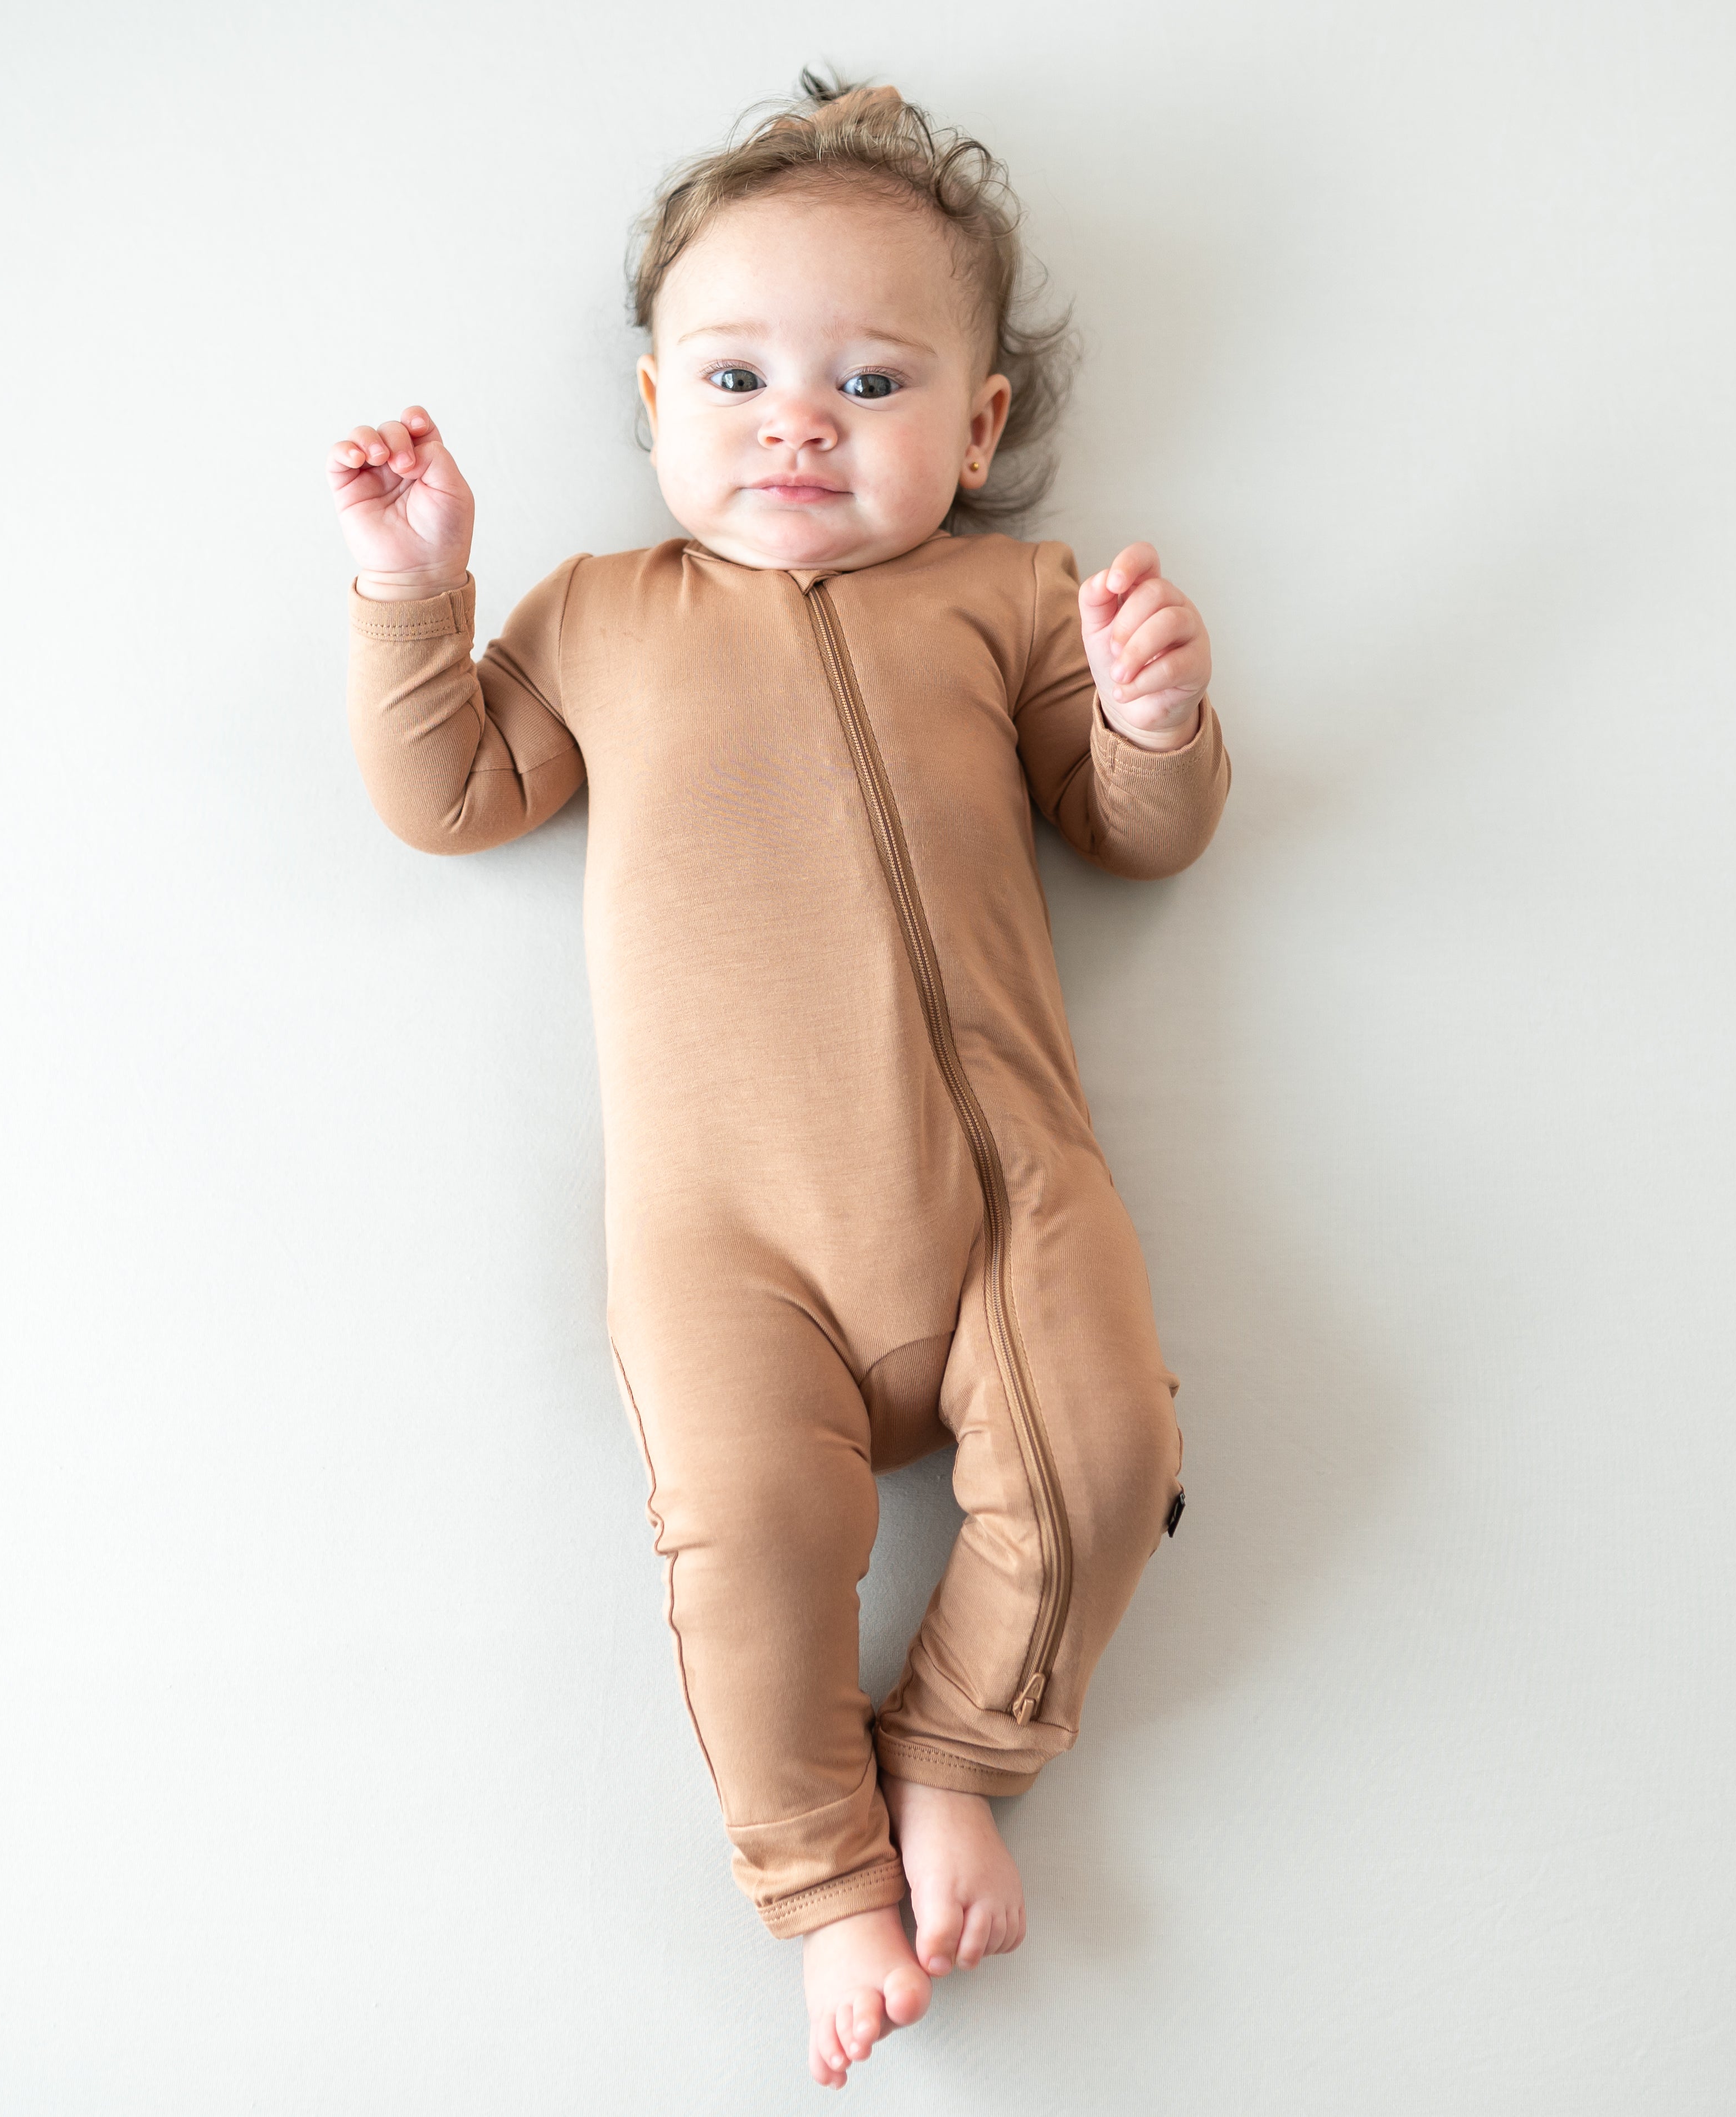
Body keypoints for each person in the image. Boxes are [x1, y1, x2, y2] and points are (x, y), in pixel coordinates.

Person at [326, 73, 1230, 2090]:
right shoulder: (601, 614)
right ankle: (823, 1883)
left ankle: (956, 1759)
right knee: (741, 1544)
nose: (797, 422)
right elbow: (451, 791)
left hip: (1006, 1197)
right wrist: (415, 589)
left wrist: (1156, 717)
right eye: (736, 378)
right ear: (657, 402)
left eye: (871, 382)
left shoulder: (1012, 601)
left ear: (979, 428)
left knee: (1106, 1458)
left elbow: (1136, 833)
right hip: (730, 1247)